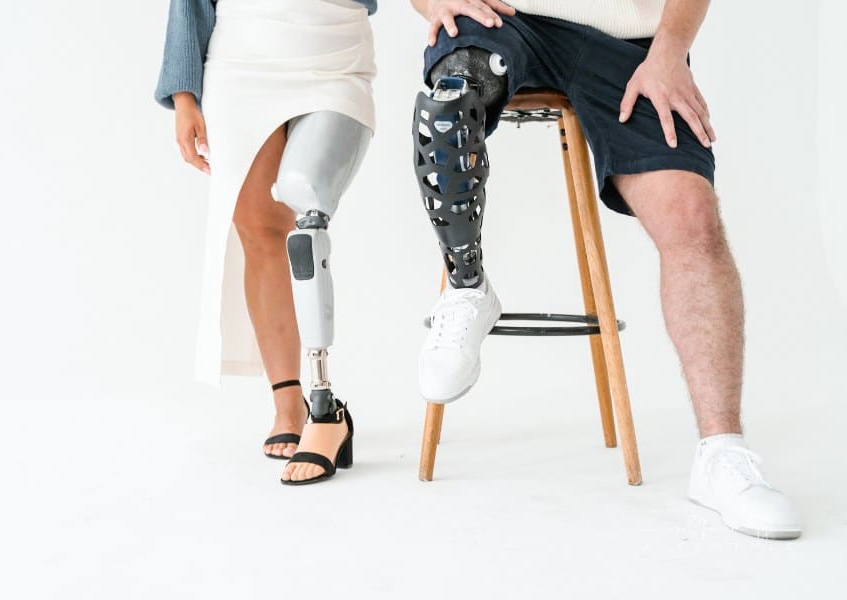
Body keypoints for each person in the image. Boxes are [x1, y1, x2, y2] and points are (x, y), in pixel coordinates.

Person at [410, 0, 801, 538]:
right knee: (449, 99)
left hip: (634, 45)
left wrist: (671, 51)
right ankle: (467, 285)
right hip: (508, 22)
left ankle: (722, 454)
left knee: (693, 219)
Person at [155, 0, 378, 485]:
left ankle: (326, 413)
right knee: (259, 231)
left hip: (331, 43)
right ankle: (293, 403)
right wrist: (184, 94)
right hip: (241, 56)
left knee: (310, 212)